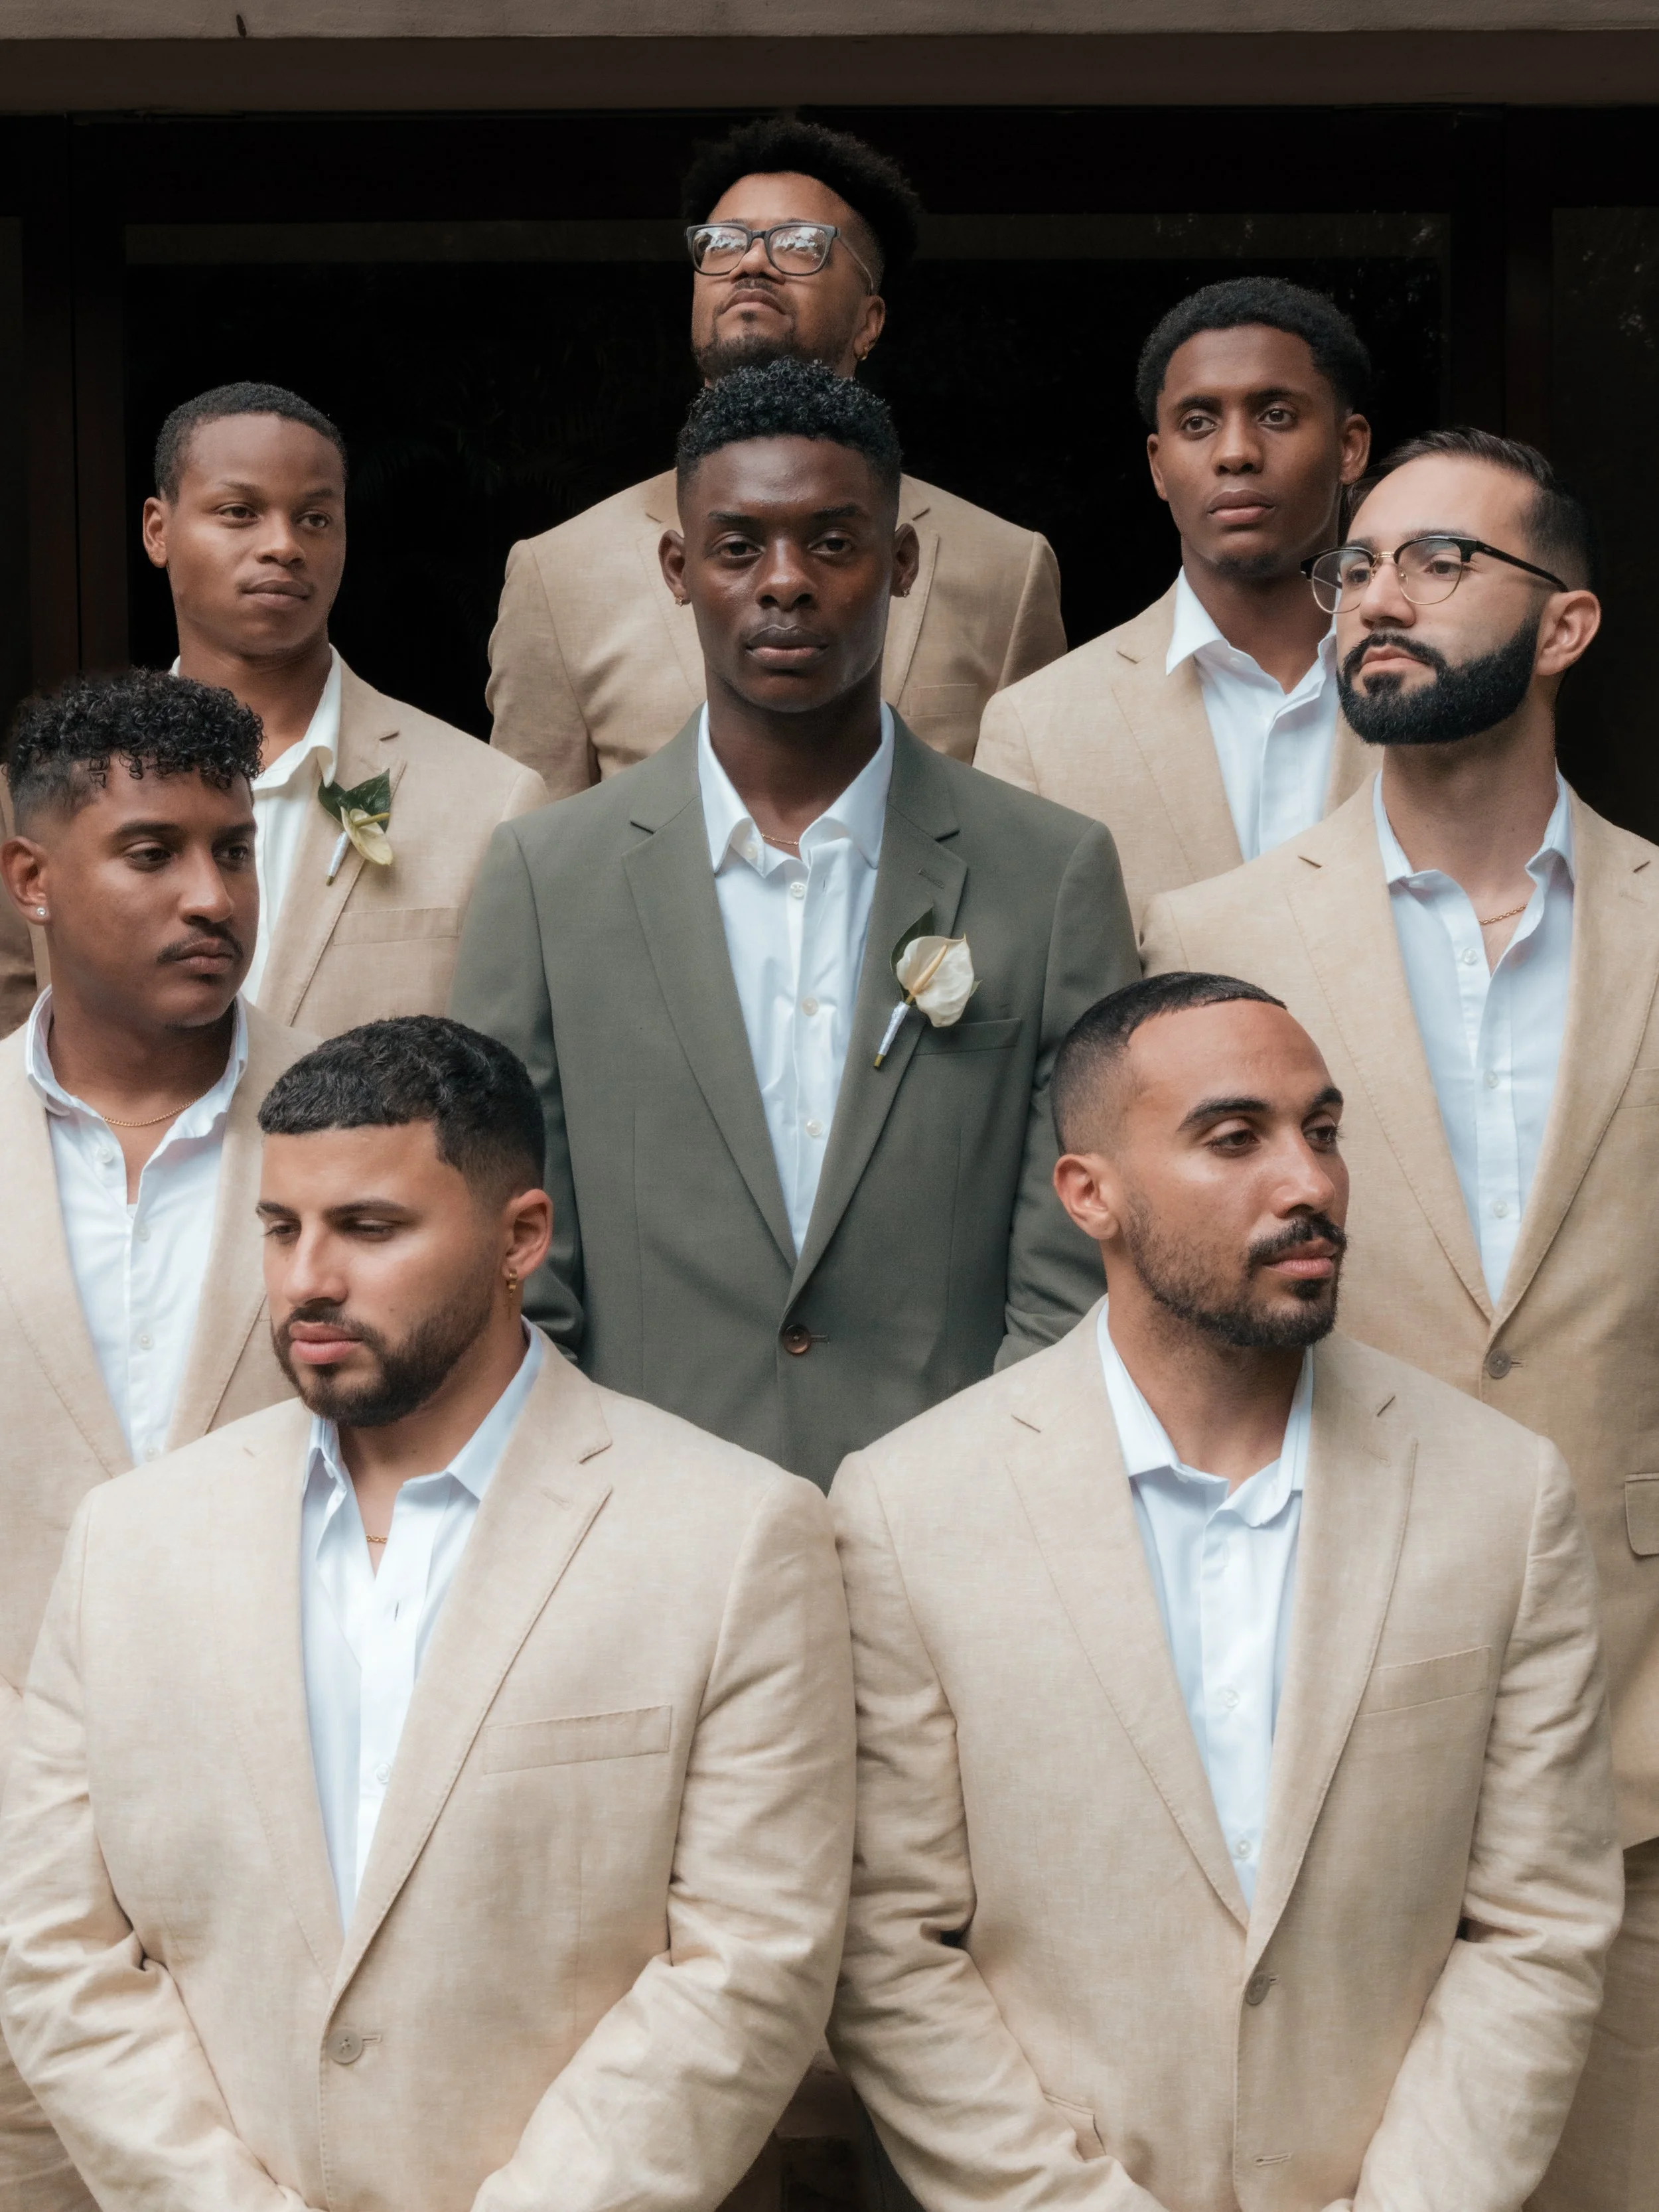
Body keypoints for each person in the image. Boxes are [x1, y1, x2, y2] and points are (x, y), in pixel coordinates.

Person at [0, 1015, 855, 2212]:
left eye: (370, 1228)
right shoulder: (129, 1541)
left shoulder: (734, 1536)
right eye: (281, 1227)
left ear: (521, 1238)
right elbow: (54, 1943)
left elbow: (750, 1965)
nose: (308, 1278)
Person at [829, 971, 1621, 2212]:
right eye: (1235, 1138)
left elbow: (1540, 1924)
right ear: (1090, 1193)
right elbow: (888, 1946)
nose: (1310, 1182)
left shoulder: (1502, 1494)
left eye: (1324, 1130)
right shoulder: (906, 1508)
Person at [1140, 429, 1656, 2212]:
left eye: (1439, 562)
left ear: (1565, 622)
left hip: (1636, 1739)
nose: (1376, 596)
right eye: (1355, 565)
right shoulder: (1208, 936)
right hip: (1308, 1740)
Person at [453, 358, 1137, 1491]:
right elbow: (516, 1248)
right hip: (642, 1512)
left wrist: (989, 1484)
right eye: (738, 547)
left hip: (965, 1506)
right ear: (679, 571)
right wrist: (593, 1495)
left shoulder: (1051, 872)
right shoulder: (544, 877)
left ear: (901, 561)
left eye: (832, 542)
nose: (786, 583)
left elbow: (1079, 1241)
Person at [0, 668, 312, 2212]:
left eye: (233, 850)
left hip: (299, 1887)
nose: (212, 896)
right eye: (152, 852)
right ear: (31, 879)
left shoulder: (373, 1141)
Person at [486, 117, 1066, 794]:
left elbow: (1028, 835)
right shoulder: (557, 574)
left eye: (798, 243)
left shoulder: (1006, 569)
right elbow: (537, 842)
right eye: (722, 243)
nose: (751, 263)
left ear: (870, 321)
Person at [0, 382, 548, 1041]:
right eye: (239, 512)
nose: (284, 545)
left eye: (315, 519)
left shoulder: (492, 800)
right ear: (157, 530)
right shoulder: (37, 795)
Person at [977, 278, 1374, 928]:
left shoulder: (1439, 680)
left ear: (1349, 446)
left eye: (1276, 415)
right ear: (1158, 467)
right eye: (1198, 423)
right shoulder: (1037, 729)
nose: (1236, 452)